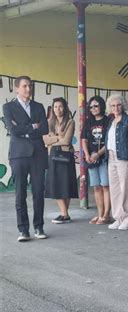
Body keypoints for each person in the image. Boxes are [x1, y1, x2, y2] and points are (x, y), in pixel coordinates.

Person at [3, 76, 48, 241]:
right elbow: (13, 130)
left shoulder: (39, 107)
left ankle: (39, 226)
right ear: (17, 88)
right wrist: (32, 126)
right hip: (18, 155)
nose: (28, 89)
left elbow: (44, 128)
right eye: (24, 86)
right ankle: (23, 230)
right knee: (20, 193)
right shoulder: (8, 107)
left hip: (37, 154)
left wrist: (24, 128)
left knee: (38, 192)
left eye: (30, 86)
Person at [43, 97, 78, 224]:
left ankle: (64, 214)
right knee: (55, 184)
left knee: (66, 184)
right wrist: (58, 137)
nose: (58, 109)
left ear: (65, 108)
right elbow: (45, 140)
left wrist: (54, 139)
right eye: (56, 106)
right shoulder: (48, 122)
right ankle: (65, 214)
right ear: (53, 109)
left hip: (66, 155)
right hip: (53, 156)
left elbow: (67, 141)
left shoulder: (70, 122)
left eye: (61, 106)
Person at [105, 94, 128, 230]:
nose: (116, 108)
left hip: (123, 157)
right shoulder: (110, 121)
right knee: (115, 189)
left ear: (123, 105)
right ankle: (118, 217)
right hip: (111, 157)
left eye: (118, 105)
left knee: (126, 189)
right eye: (113, 106)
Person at [81, 96, 111, 225]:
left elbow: (109, 141)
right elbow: (84, 139)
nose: (93, 109)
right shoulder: (88, 122)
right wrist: (87, 155)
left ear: (102, 106)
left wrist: (98, 154)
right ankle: (100, 214)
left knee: (105, 185)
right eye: (91, 107)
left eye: (96, 106)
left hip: (103, 157)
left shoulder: (107, 121)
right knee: (96, 187)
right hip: (91, 158)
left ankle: (106, 215)